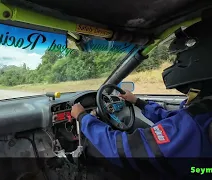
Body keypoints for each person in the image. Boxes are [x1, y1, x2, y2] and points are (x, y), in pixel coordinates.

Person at [71, 19, 212, 178]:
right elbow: (174, 120)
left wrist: (83, 118)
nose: (175, 64)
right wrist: (138, 102)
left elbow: (124, 150)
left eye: (178, 59)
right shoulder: (202, 112)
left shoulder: (196, 124)